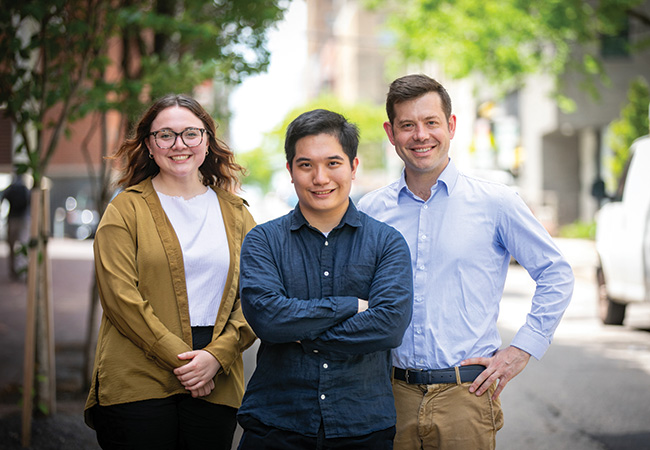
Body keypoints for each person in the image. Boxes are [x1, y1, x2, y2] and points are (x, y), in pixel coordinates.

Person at [358, 74, 575, 450]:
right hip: (388, 395)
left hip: (465, 396)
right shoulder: (371, 211)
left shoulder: (496, 203)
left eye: (431, 123)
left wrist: (521, 349)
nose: (420, 135)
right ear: (391, 133)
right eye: (407, 125)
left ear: (451, 126)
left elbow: (555, 272)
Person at [84, 94, 257, 450]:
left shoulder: (238, 214)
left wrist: (216, 356)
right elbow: (119, 298)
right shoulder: (124, 210)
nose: (179, 145)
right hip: (138, 373)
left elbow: (258, 296)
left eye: (191, 134)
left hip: (215, 375)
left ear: (207, 141)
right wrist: (184, 362)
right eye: (166, 135)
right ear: (149, 144)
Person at [237, 109, 414, 450]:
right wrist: (350, 307)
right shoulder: (262, 241)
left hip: (362, 425)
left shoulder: (387, 242)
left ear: (354, 167)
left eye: (333, 163)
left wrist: (300, 331)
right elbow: (269, 321)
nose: (320, 178)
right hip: (275, 423)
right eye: (306, 165)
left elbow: (390, 325)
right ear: (290, 171)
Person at [1, 173, 30, 280]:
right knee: (23, 245)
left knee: (11, 247)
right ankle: (23, 271)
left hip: (12, 219)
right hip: (23, 219)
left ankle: (13, 271)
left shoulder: (10, 189)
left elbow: (3, 199)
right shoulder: (25, 189)